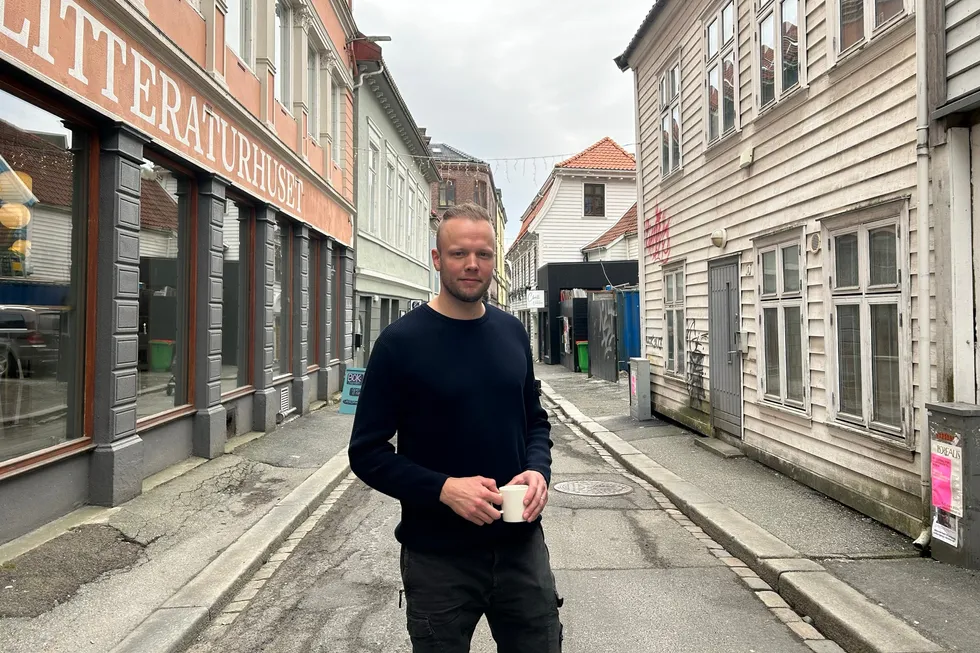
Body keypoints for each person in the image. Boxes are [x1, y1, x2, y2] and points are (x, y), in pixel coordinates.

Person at [348, 202, 562, 652]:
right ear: (437, 258)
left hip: (520, 548)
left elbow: (535, 420)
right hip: (437, 558)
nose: (472, 265)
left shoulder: (511, 332)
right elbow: (366, 453)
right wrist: (444, 489)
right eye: (459, 253)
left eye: (483, 254)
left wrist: (538, 469)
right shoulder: (399, 344)